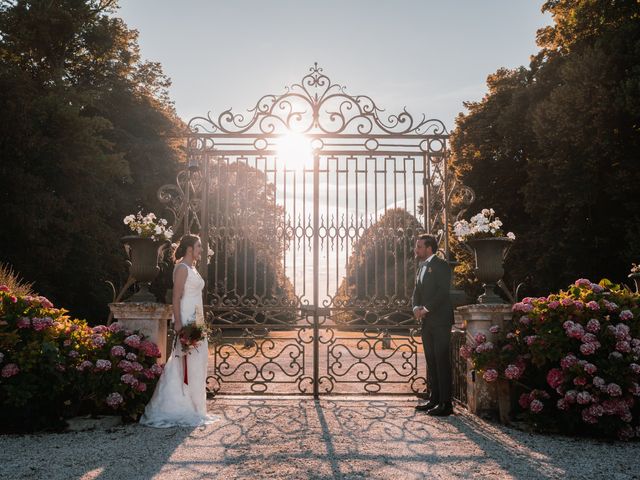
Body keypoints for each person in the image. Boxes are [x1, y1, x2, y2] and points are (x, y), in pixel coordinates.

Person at [140, 234, 219, 428]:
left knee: (197, 361)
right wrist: (178, 322)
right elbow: (176, 297)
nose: (201, 250)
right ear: (190, 249)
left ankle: (195, 406)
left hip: (196, 319)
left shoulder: (192, 268)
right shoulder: (182, 268)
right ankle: (178, 406)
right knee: (184, 362)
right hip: (187, 318)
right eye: (199, 246)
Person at [412, 234, 454, 416]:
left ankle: (446, 404)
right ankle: (434, 399)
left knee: (442, 360)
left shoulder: (441, 265)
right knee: (431, 360)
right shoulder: (421, 267)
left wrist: (426, 309)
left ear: (429, 248)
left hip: (440, 321)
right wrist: (415, 307)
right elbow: (416, 291)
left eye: (419, 246)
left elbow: (443, 292)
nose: (416, 249)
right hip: (427, 323)